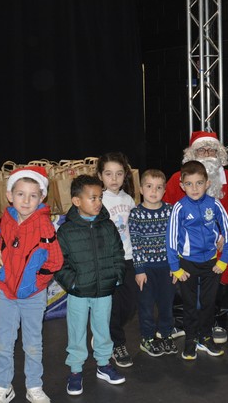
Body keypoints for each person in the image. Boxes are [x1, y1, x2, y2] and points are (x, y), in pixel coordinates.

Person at [0, 166, 64, 403]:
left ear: (41, 198)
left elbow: (55, 261)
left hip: (33, 296)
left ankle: (34, 386)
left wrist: (33, 283)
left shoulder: (44, 226)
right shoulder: (7, 218)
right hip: (6, 292)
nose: (26, 200)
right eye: (20, 194)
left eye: (33, 195)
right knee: (3, 342)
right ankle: (2, 386)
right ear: (10, 195)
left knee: (32, 343)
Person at [163, 131, 228, 343]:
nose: (207, 155)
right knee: (179, 271)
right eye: (201, 150)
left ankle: (218, 321)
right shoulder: (177, 180)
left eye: (212, 150)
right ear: (192, 154)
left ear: (220, 154)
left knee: (226, 269)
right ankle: (180, 321)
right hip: (187, 245)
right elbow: (167, 210)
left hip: (220, 244)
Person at [55, 175, 127, 396]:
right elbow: (59, 262)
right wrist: (73, 283)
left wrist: (116, 276)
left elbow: (118, 253)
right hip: (78, 293)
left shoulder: (108, 226)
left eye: (100, 197)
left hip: (104, 290)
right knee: (76, 332)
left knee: (103, 329)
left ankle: (103, 364)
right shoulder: (66, 231)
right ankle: (76, 370)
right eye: (92, 198)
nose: (98, 202)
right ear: (77, 201)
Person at [166, 160, 228, 360]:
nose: (194, 188)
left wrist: (223, 261)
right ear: (182, 185)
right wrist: (175, 267)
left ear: (207, 183)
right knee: (189, 304)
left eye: (199, 183)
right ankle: (190, 339)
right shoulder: (179, 208)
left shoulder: (215, 204)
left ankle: (205, 337)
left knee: (208, 303)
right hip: (187, 264)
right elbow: (171, 239)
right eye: (189, 184)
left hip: (211, 264)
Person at [129, 169, 177, 357]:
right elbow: (136, 243)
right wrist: (139, 269)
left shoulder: (170, 211)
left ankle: (166, 334)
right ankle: (147, 338)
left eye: (158, 187)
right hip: (146, 269)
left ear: (164, 190)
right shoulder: (136, 214)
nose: (154, 191)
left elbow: (176, 240)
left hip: (167, 267)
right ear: (141, 189)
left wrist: (175, 265)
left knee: (167, 304)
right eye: (149, 186)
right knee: (146, 306)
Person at [96, 152, 138, 368]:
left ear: (125, 175)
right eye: (108, 174)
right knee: (113, 306)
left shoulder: (128, 199)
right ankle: (116, 343)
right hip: (109, 261)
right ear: (100, 176)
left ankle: (104, 332)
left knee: (130, 305)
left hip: (129, 259)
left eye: (119, 174)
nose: (114, 179)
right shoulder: (98, 200)